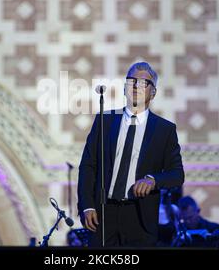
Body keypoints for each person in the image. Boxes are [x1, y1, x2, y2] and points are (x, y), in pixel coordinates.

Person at [77, 62, 184, 247]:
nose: (136, 86)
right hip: (103, 213)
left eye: (143, 83)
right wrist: (87, 205)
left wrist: (152, 180)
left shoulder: (164, 130)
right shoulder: (105, 120)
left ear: (153, 92)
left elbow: (177, 174)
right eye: (131, 81)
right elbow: (88, 166)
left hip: (140, 216)